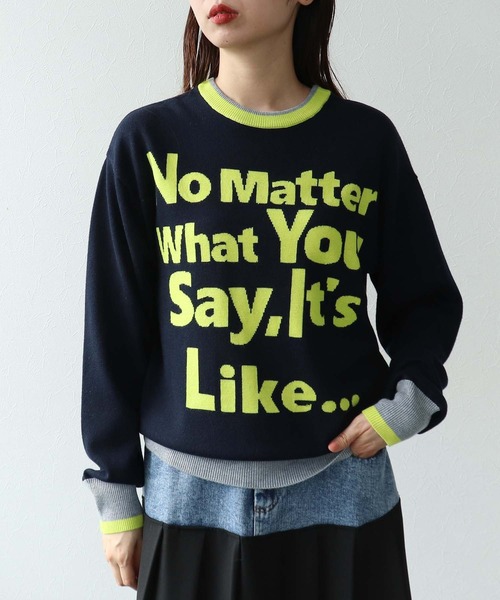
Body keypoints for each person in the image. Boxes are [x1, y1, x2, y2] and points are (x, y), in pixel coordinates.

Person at [80, 1, 463, 598]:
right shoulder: (147, 141)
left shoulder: (366, 141)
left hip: (343, 487)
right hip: (187, 496)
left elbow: (426, 298)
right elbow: (113, 327)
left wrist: (408, 402)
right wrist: (115, 494)